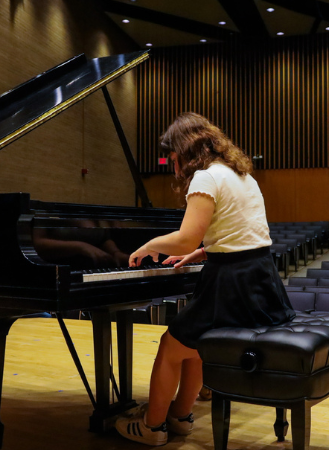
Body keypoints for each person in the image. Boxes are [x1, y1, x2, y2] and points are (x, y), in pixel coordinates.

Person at [115, 112, 295, 446]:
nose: (172, 163)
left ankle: (152, 427)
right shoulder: (242, 176)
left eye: (172, 155)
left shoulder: (205, 178)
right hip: (260, 279)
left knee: (171, 346)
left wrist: (149, 245)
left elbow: (185, 237)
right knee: (197, 346)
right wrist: (200, 253)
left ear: (185, 151)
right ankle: (180, 418)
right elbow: (242, 236)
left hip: (231, 284)